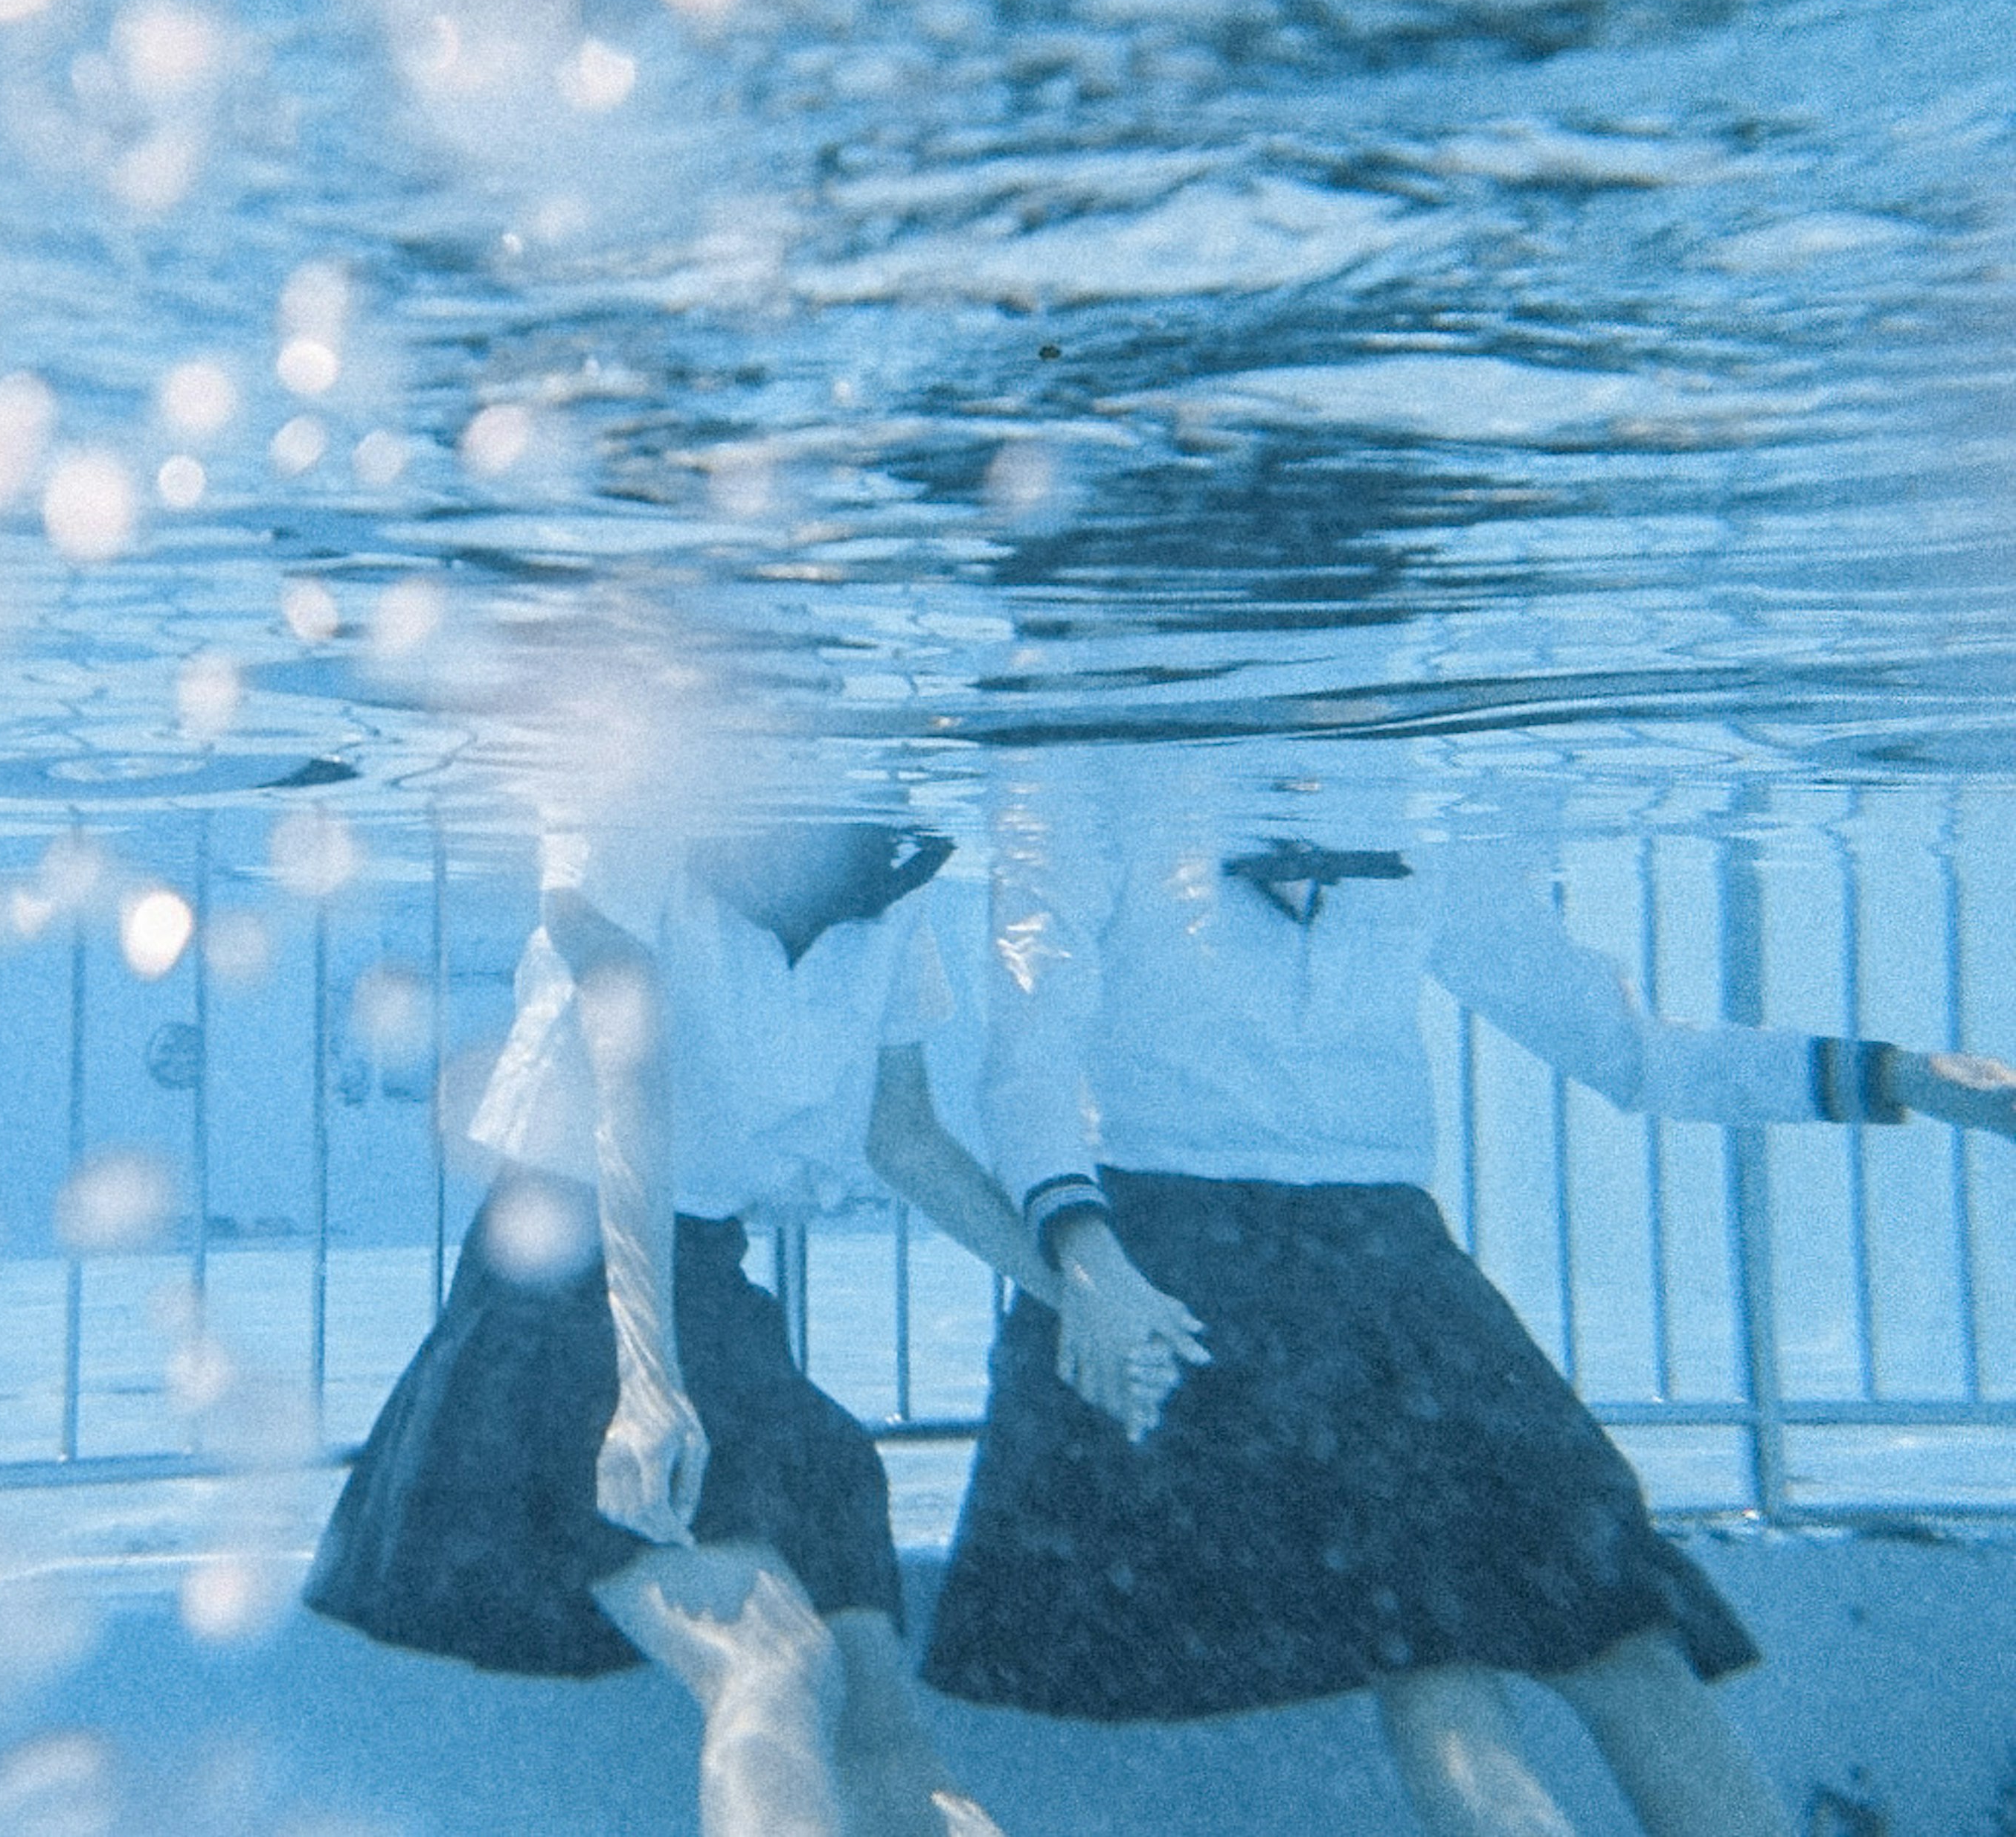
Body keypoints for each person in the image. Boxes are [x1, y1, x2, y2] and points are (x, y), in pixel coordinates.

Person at [903, 747, 2016, 1837]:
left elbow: (1633, 1051)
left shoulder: (1419, 795)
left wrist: (1906, 1077)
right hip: (1184, 1254)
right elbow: (1030, 1047)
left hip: (1391, 1266)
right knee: (1430, 1661)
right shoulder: (1101, 775)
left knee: (1622, 1627)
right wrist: (1088, 1255)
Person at [305, 820, 1021, 1837]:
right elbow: (625, 1097)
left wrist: (1075, 1287)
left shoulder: (885, 851)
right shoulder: (629, 803)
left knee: (880, 1711)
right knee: (773, 1662)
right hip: (565, 1294)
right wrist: (647, 1380)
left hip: (715, 1305)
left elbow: (903, 1134)